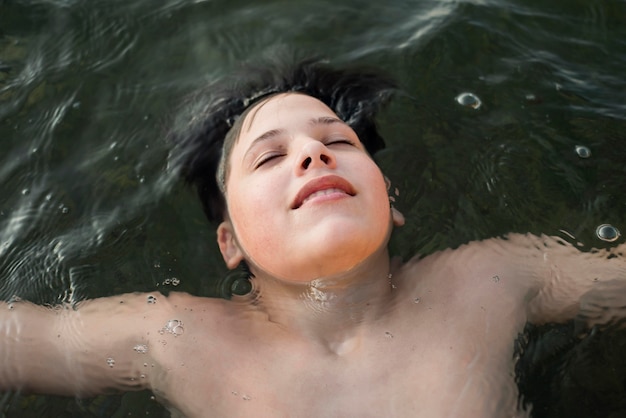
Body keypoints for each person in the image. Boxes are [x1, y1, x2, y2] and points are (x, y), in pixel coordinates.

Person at [1, 58, 626, 418]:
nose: (311, 155)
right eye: (269, 159)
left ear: (391, 203)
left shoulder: (491, 278)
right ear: (230, 242)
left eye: (338, 142)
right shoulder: (179, 338)